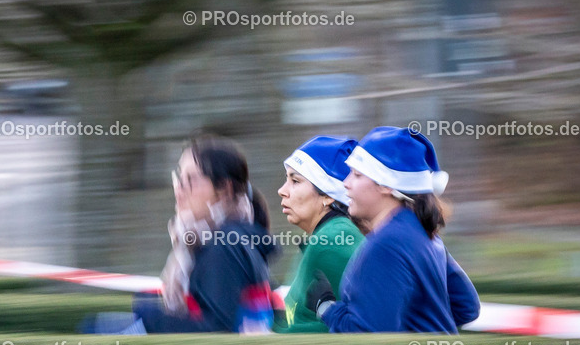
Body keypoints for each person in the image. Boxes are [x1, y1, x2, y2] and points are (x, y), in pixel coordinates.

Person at [305, 126, 479, 333]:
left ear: (387, 186)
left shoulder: (386, 244)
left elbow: (367, 335)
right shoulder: (423, 232)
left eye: (357, 175)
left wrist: (326, 308)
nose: (346, 183)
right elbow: (466, 307)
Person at [125, 135, 277, 333]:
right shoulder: (213, 238)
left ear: (224, 190)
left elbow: (219, 330)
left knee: (96, 328)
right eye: (179, 177)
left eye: (191, 180)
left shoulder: (225, 245)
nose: (179, 189)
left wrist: (151, 318)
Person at [273, 136, 364, 333]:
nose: (282, 191)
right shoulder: (324, 236)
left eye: (295, 181)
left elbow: (351, 332)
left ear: (328, 195)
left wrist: (266, 338)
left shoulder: (332, 242)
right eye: (286, 179)